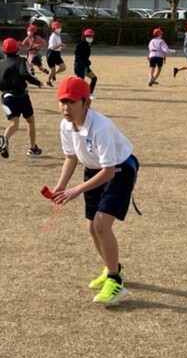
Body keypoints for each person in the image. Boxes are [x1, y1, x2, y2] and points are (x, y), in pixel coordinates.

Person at [49, 75, 140, 307]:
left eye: (71, 102)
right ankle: (114, 268)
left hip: (119, 170)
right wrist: (61, 186)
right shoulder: (65, 125)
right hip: (93, 169)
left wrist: (76, 190)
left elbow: (109, 171)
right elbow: (70, 157)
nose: (65, 107)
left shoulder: (101, 127)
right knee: (91, 227)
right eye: (62, 101)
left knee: (101, 224)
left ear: (86, 103)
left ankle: (115, 280)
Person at [0, 37, 44, 159]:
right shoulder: (21, 61)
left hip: (6, 97)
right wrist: (37, 82)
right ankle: (32, 148)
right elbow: (25, 74)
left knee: (14, 123)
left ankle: (5, 140)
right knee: (30, 120)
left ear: (4, 51)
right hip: (21, 95)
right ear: (17, 49)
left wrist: (5, 91)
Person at [73, 27, 98, 96]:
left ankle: (90, 93)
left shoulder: (88, 45)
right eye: (88, 36)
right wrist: (84, 61)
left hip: (85, 65)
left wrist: (87, 62)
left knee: (94, 78)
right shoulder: (81, 45)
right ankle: (77, 94)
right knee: (80, 81)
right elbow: (77, 55)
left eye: (91, 36)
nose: (90, 37)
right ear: (85, 36)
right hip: (80, 65)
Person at [46, 21, 66, 87]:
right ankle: (48, 81)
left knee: (63, 67)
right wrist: (60, 45)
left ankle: (54, 74)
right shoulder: (53, 37)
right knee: (53, 69)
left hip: (57, 53)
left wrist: (61, 46)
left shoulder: (58, 35)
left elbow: (57, 47)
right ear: (53, 29)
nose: (59, 29)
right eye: (57, 28)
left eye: (59, 27)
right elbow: (52, 47)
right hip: (51, 54)